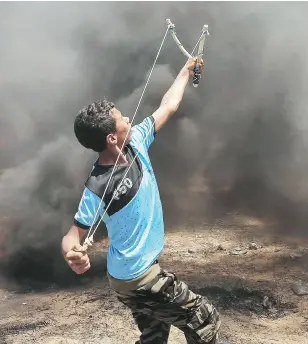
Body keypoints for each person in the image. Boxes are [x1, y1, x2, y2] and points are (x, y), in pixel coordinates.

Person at [61, 58, 227, 344]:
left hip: (131, 277)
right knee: (205, 319)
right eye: (122, 118)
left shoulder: (136, 140)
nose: (129, 120)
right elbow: (73, 234)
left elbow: (168, 106)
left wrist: (185, 71)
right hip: (138, 279)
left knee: (154, 335)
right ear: (112, 138)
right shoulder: (98, 185)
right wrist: (71, 253)